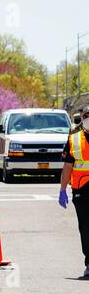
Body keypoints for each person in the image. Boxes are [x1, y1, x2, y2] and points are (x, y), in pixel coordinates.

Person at [59, 105, 89, 277]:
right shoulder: (74, 140)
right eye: (86, 115)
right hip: (82, 191)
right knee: (85, 228)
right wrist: (63, 190)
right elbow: (68, 166)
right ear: (82, 118)